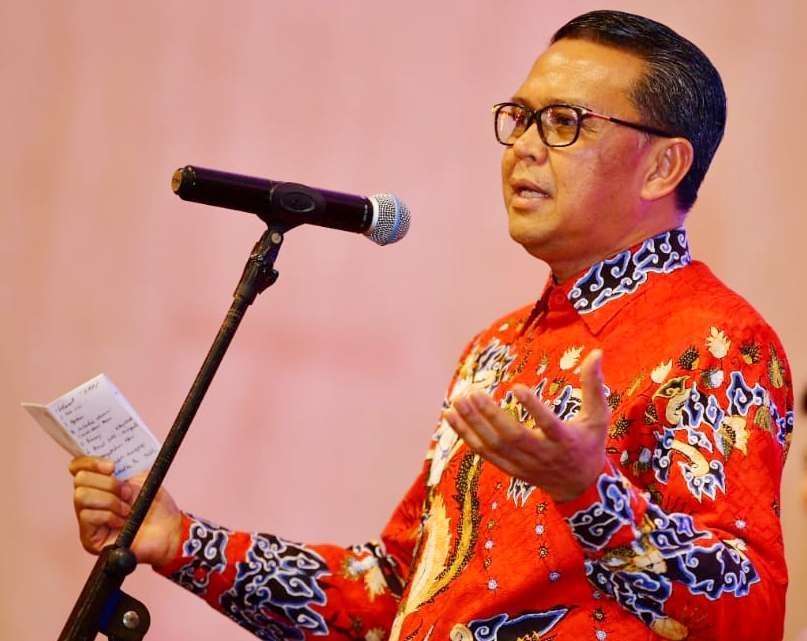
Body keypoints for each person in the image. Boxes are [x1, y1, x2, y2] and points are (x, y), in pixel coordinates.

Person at [69, 10, 794, 641]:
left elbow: (749, 613)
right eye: (519, 117)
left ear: (662, 166)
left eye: (564, 122)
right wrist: (182, 541)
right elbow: (393, 593)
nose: (524, 146)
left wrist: (589, 493)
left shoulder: (716, 342)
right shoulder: (497, 349)